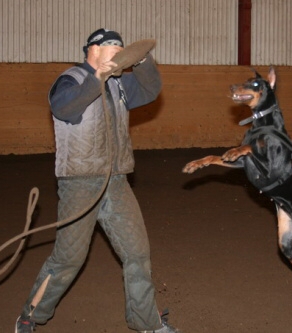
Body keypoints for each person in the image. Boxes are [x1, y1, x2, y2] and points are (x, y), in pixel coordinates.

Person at [15, 28, 181, 333]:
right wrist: (98, 78)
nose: (119, 51)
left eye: (121, 46)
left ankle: (148, 322)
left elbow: (151, 89)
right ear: (93, 49)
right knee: (68, 259)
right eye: (112, 46)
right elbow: (64, 107)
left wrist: (142, 61)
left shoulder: (119, 85)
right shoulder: (70, 80)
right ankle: (29, 317)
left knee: (137, 253)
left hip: (116, 183)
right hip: (80, 184)